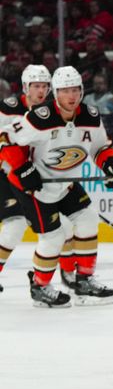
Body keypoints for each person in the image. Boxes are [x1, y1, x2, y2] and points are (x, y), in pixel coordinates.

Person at [0, 66, 113, 308]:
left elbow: (100, 147)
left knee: (88, 217)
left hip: (65, 183)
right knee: (54, 235)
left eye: (76, 89)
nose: (72, 96)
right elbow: (6, 139)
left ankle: (84, 280)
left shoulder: (90, 115)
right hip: (34, 187)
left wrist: (111, 164)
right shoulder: (39, 117)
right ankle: (40, 286)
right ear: (56, 93)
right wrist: (23, 169)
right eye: (66, 90)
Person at [0, 64, 51, 293]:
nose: (40, 91)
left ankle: (64, 274)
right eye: (36, 86)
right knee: (15, 224)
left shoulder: (51, 111)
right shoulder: (8, 109)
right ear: (25, 88)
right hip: (4, 173)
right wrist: (21, 168)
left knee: (21, 226)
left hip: (24, 175)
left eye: (44, 86)